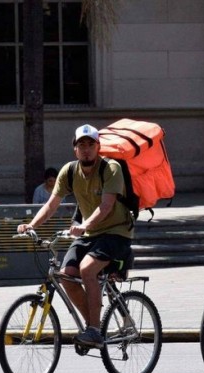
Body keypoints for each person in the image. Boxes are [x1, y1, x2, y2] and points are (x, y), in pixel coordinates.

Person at [17, 124, 133, 349]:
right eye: (82, 145)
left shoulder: (111, 168)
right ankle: (93, 324)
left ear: (98, 147)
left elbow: (107, 206)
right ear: (75, 150)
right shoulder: (69, 171)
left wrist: (85, 224)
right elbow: (51, 205)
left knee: (87, 269)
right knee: (65, 275)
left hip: (116, 232)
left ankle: (94, 330)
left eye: (91, 145)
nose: (87, 149)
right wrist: (31, 225)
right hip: (90, 234)